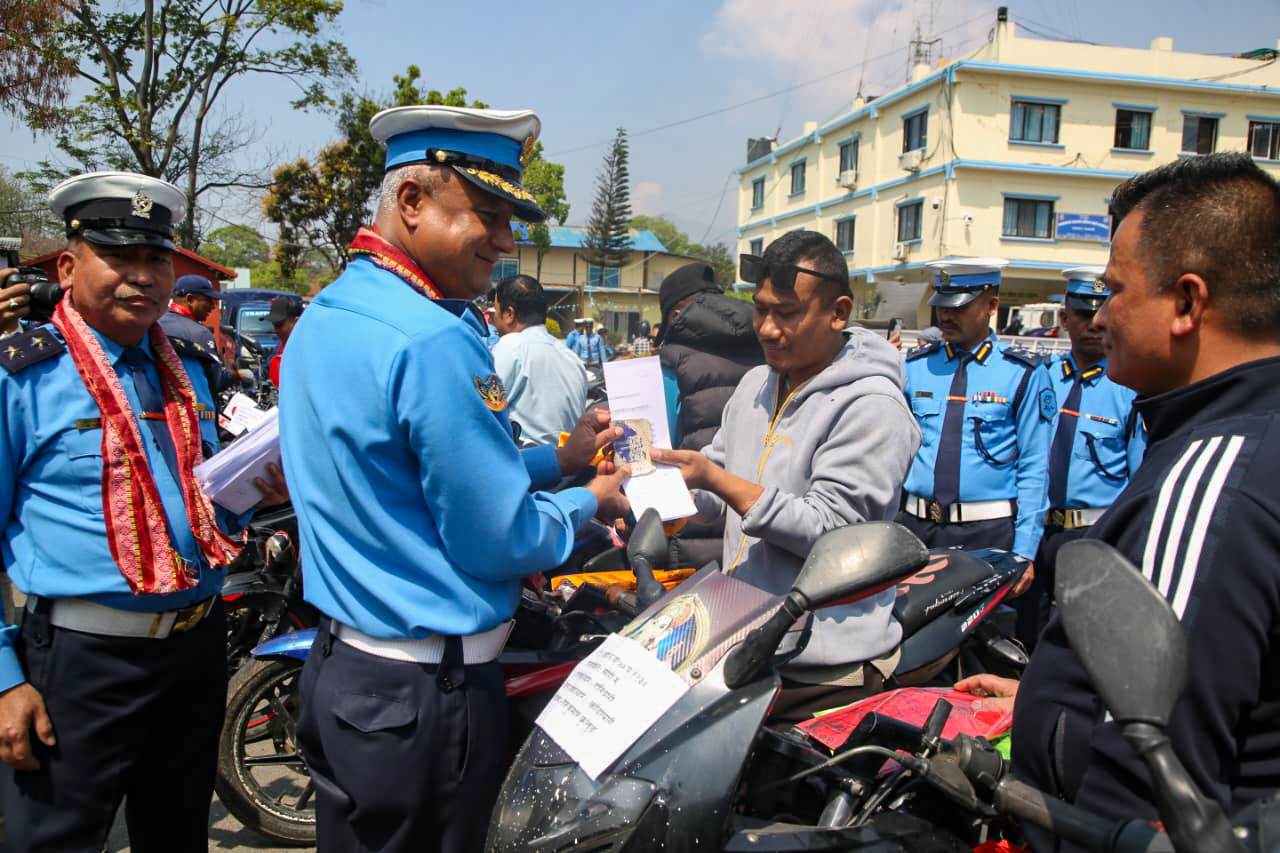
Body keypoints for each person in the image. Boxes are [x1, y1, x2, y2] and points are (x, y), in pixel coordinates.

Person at [278, 105, 630, 853]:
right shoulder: (434, 337)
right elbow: (499, 536)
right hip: (423, 695)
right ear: (411, 202)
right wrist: (584, 499)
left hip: (345, 672)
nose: (505, 244)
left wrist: (554, 459)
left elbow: (401, 472)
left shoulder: (329, 313)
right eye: (488, 215)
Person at [0, 171, 286, 852]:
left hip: (194, 646)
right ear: (68, 266)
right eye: (118, 257)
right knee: (57, 839)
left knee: (176, 834)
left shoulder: (185, 366)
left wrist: (252, 497)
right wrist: (5, 679)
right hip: (81, 656)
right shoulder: (21, 375)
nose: (141, 277)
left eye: (156, 259)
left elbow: (192, 501)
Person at [653, 231, 920, 721]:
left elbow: (835, 535)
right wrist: (656, 493)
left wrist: (714, 478)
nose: (768, 329)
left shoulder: (873, 406)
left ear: (838, 312)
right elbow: (719, 483)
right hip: (745, 633)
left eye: (788, 313)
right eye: (761, 309)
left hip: (820, 657)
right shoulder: (757, 382)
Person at [898, 259, 1054, 598]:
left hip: (987, 534)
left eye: (961, 306)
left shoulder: (1022, 372)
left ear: (992, 306)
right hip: (916, 527)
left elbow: (1034, 466)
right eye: (942, 306)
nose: (947, 316)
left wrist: (1025, 549)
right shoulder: (915, 368)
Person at [1013, 266, 1146, 651]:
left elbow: (1138, 479)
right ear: (1064, 317)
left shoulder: (1128, 389)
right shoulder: (1040, 378)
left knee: (1084, 642)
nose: (1092, 324)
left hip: (1093, 533)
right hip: (1037, 532)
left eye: (1100, 312)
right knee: (1025, 637)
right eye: (1083, 314)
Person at [656, 260, 766, 568]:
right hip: (759, 526)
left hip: (690, 519)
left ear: (676, 316)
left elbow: (655, 448)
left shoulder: (670, 367)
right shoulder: (771, 354)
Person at [490, 274, 588, 444]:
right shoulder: (572, 359)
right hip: (568, 462)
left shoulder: (511, 346)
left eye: (496, 311)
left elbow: (484, 411)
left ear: (509, 314)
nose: (493, 320)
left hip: (528, 463)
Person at [159, 273, 238, 396]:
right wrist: (236, 375)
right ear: (190, 299)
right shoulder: (199, 333)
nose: (213, 306)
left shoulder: (156, 324)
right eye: (208, 300)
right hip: (194, 407)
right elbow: (215, 381)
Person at [265, 293, 303, 387]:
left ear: (296, 322)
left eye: (279, 325)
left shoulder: (309, 350)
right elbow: (266, 371)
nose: (276, 331)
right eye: (274, 325)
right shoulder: (280, 348)